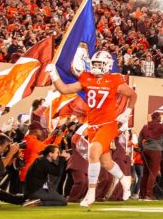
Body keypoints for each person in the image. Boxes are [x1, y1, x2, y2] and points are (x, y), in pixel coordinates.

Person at [46, 50, 136, 207]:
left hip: (108, 124)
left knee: (93, 152)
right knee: (106, 162)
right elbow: (64, 89)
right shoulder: (87, 78)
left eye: (99, 64)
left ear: (107, 65)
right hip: (93, 125)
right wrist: (54, 75)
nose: (95, 66)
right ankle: (124, 178)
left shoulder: (114, 79)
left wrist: (127, 111)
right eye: (94, 63)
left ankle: (91, 193)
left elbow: (132, 95)